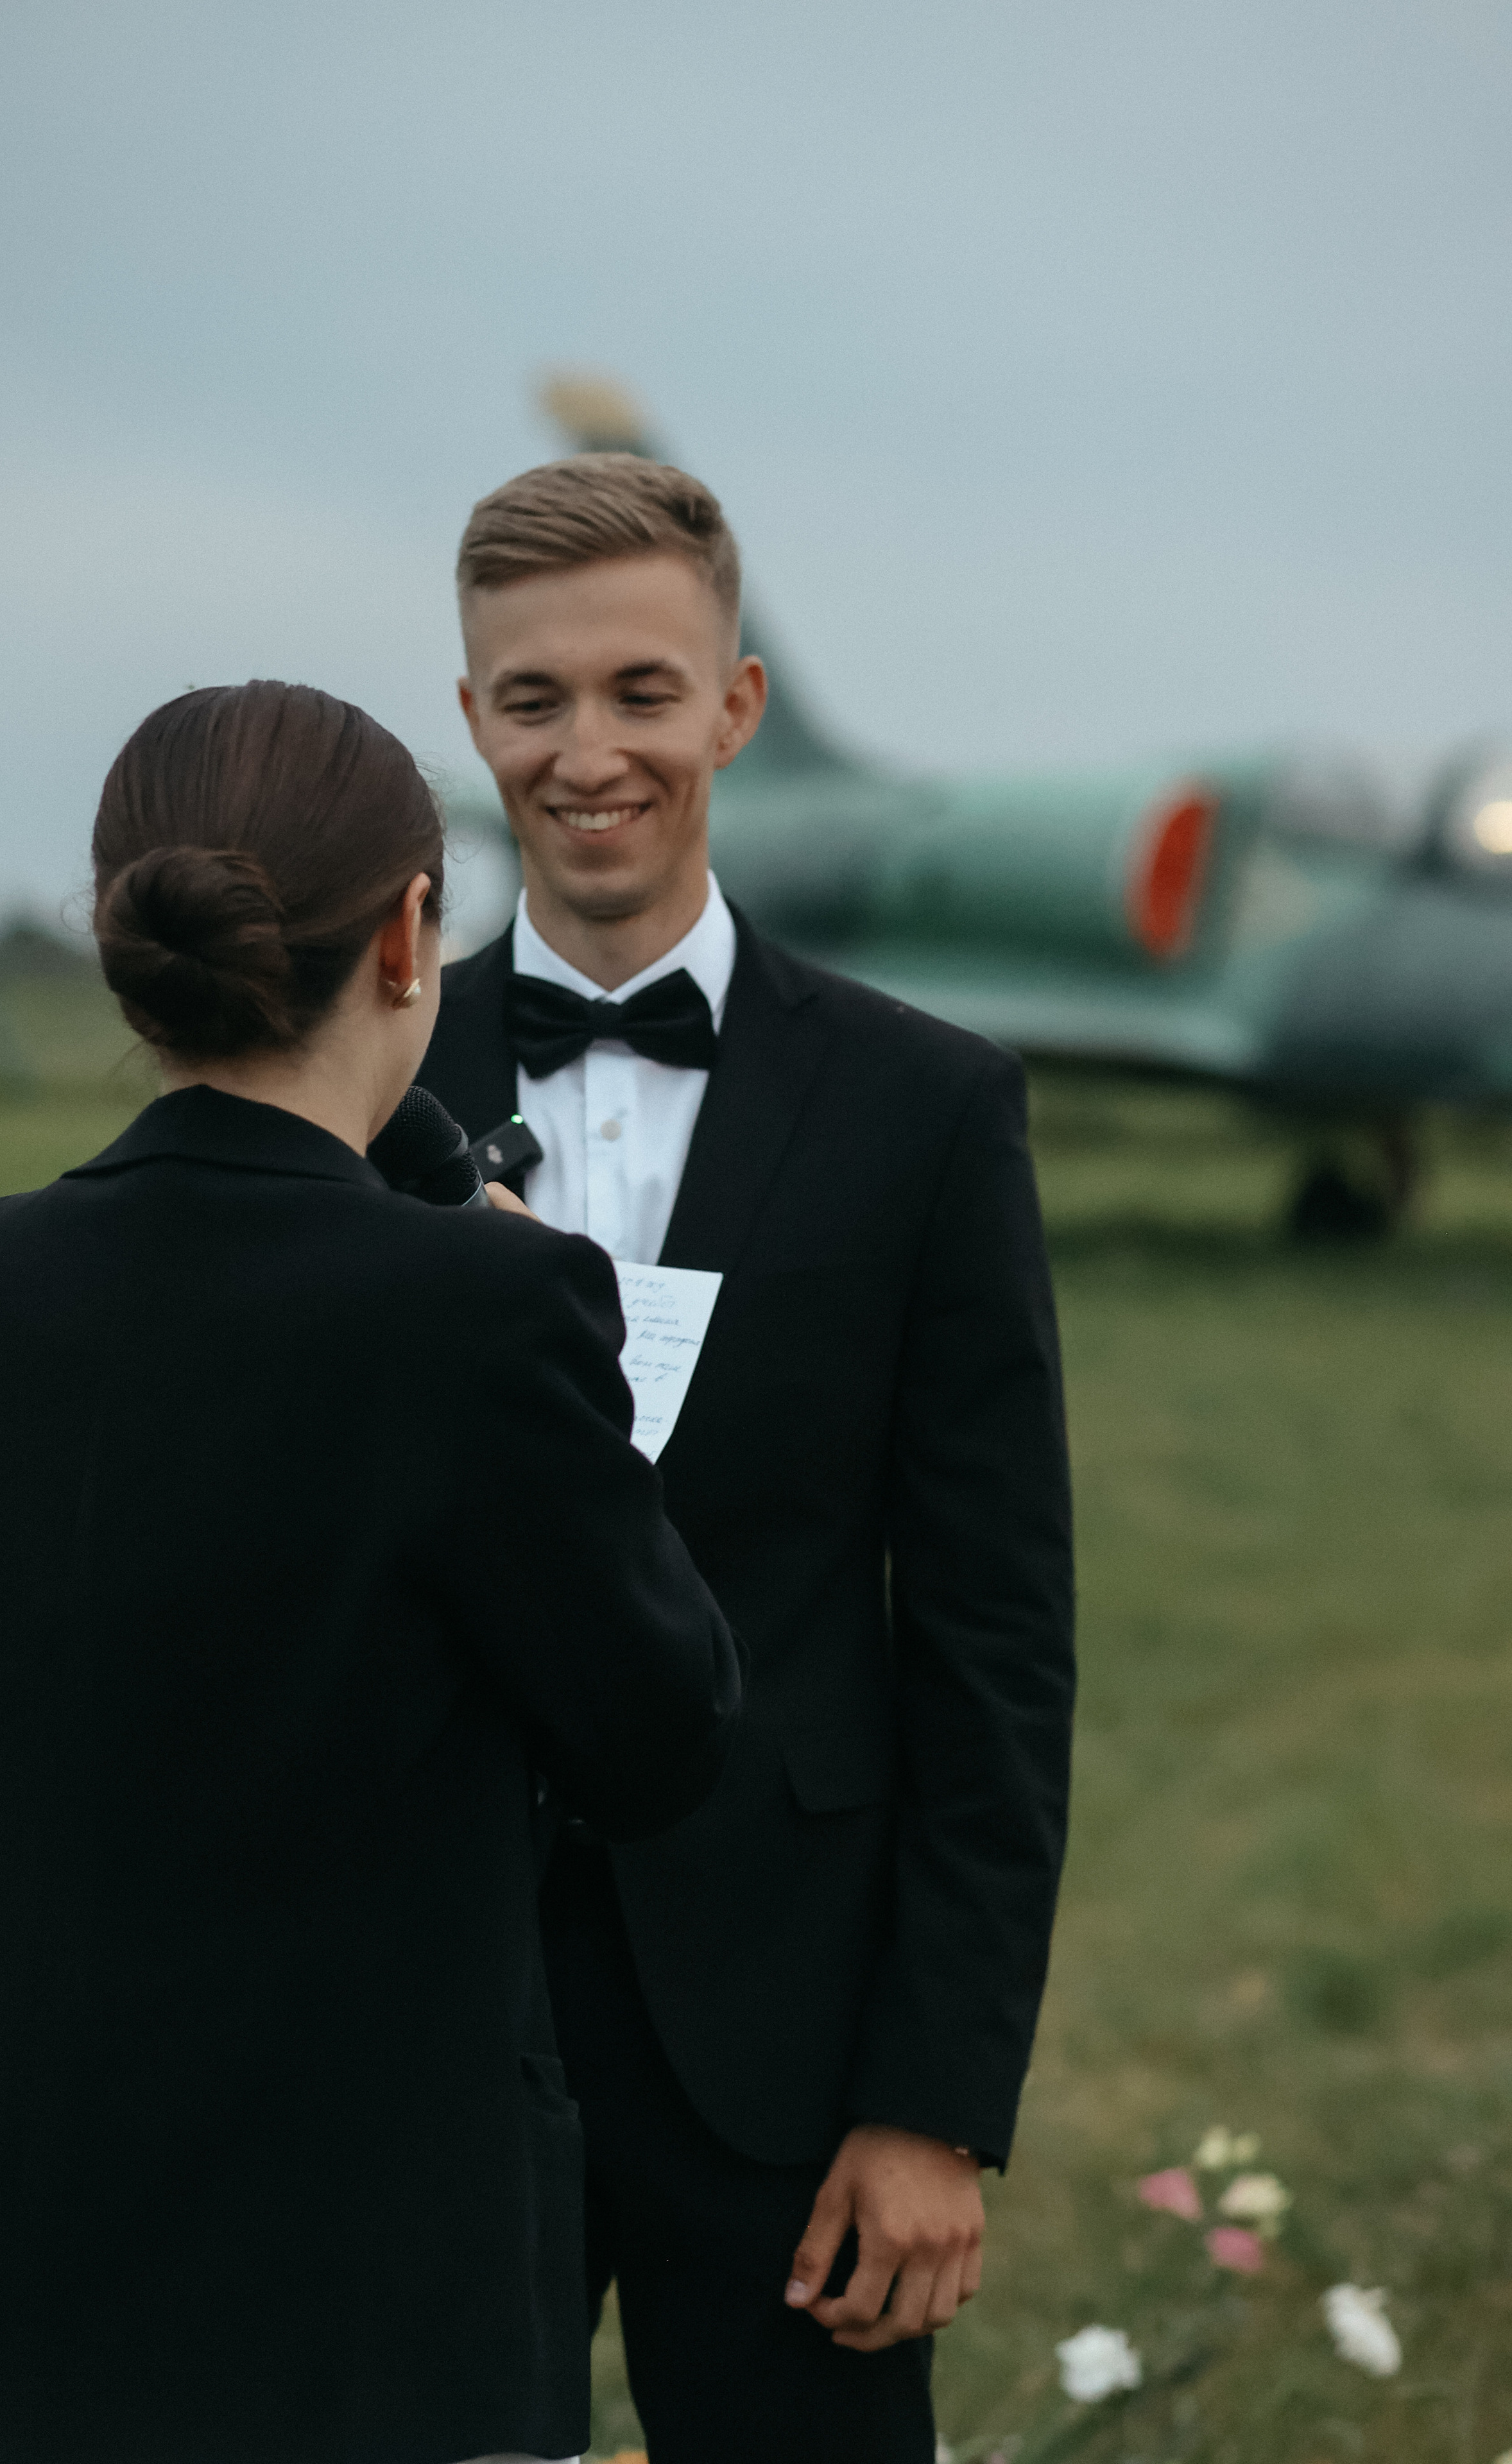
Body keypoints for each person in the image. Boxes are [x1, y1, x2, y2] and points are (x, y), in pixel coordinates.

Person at [0, 680, 742, 2464]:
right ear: (415, 933)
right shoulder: (485, 1314)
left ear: (125, 950)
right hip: (372, 2314)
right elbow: (662, 1740)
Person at [389, 457, 1077, 2464]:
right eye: (533, 701)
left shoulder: (930, 1110)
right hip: (424, 2027)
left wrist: (933, 2099)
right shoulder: (359, 1089)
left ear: (738, 708)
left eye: (640, 693)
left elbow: (994, 1638)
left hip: (793, 2055)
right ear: (470, 723)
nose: (588, 752)